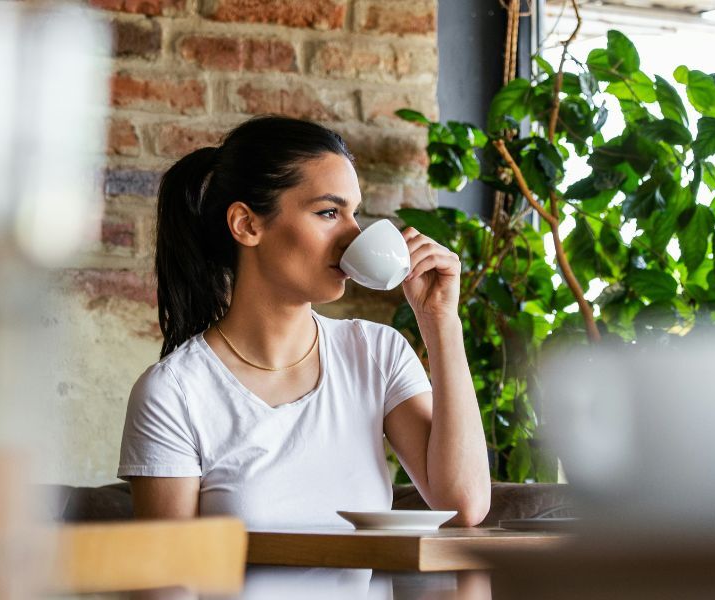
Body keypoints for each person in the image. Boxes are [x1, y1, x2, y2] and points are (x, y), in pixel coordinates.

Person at [117, 115, 490, 529]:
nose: (353, 236)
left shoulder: (377, 355)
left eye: (354, 214)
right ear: (247, 224)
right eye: (329, 212)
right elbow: (171, 580)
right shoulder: (175, 392)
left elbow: (464, 505)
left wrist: (441, 322)